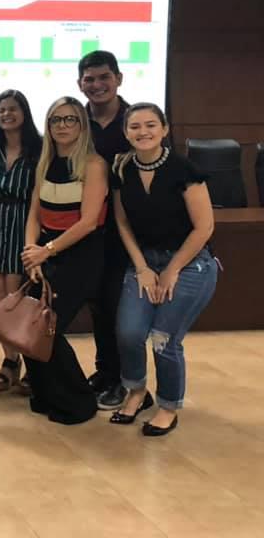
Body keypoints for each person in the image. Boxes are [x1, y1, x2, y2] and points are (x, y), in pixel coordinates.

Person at [110, 103, 216, 436]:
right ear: (126, 132)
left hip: (189, 263)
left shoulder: (185, 170)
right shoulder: (122, 169)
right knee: (129, 333)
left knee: (163, 338)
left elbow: (204, 227)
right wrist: (141, 267)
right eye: (135, 126)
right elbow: (122, 222)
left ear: (165, 129)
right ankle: (137, 391)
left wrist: (172, 270)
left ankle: (168, 406)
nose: (143, 132)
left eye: (151, 125)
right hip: (144, 261)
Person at [20, 97, 107, 425]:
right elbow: (34, 213)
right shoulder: (44, 162)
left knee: (48, 328)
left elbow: (88, 222)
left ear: (82, 125)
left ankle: (78, 402)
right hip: (44, 251)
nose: (63, 126)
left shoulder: (94, 164)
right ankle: (45, 396)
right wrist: (32, 253)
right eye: (56, 120)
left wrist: (47, 251)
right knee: (30, 327)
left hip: (80, 256)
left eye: (70, 119)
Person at [0, 90, 42, 392]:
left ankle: (31, 364)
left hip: (24, 226)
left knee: (18, 297)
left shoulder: (39, 149)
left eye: (13, 108)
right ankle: (10, 360)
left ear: (24, 112)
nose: (6, 114)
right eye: (1, 109)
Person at [78, 50, 131, 410]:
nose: (97, 85)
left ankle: (125, 380)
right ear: (80, 83)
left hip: (127, 231)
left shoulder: (136, 120)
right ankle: (105, 371)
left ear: (118, 79)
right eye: (90, 79)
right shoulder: (77, 121)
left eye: (104, 77)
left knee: (119, 309)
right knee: (98, 304)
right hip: (87, 228)